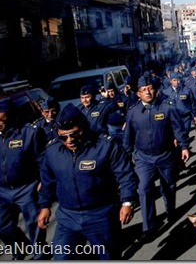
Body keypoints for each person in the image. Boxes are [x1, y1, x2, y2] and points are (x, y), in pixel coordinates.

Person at [36, 104, 138, 259]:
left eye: (74, 134)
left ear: (83, 127)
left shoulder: (106, 146)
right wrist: (44, 206)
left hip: (100, 215)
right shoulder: (52, 151)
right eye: (63, 136)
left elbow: (126, 175)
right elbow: (47, 180)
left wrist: (127, 202)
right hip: (67, 217)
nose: (69, 140)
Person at [124, 76, 190, 242]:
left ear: (155, 90)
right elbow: (128, 138)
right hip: (143, 158)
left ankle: (171, 211)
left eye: (149, 88)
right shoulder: (132, 112)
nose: (147, 92)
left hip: (165, 155)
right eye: (143, 90)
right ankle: (149, 227)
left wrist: (184, 146)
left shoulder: (167, 107)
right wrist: (126, 156)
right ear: (138, 94)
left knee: (168, 186)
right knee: (145, 188)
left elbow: (178, 128)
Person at [0, 99, 47, 259]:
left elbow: (43, 161)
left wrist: (43, 182)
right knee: (2, 227)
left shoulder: (30, 133)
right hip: (0, 190)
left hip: (27, 187)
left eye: (0, 118)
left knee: (34, 224)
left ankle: (40, 256)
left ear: (10, 116)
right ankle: (22, 246)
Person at [162, 72, 196, 138]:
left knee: (185, 135)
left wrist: (194, 115)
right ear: (171, 81)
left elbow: (192, 103)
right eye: (174, 80)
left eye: (178, 80)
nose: (177, 82)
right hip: (174, 119)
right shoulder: (166, 92)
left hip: (186, 117)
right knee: (177, 136)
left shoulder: (186, 90)